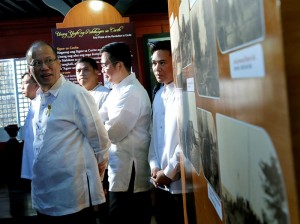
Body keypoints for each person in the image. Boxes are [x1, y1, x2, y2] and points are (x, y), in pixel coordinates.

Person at [26, 40, 111, 224]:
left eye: (49, 60)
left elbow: (100, 140)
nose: (44, 67)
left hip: (72, 197)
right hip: (44, 194)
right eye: (37, 63)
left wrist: (96, 177)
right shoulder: (37, 100)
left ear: (59, 64)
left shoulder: (75, 94)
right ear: (30, 68)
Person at [98, 42, 152, 224]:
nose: (103, 70)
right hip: (119, 167)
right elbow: (99, 118)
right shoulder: (117, 90)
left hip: (130, 170)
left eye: (105, 64)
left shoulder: (131, 92)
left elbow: (114, 133)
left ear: (119, 65)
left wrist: (98, 130)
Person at [148, 40, 189, 224]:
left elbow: (189, 138)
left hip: (183, 186)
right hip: (159, 183)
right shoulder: (157, 95)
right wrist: (154, 166)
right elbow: (154, 136)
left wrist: (170, 171)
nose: (157, 68)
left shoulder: (185, 93)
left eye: (162, 62)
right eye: (154, 63)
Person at [20, 72, 39, 181]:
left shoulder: (43, 105)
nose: (22, 87)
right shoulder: (33, 104)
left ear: (36, 85)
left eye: (26, 83)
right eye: (21, 83)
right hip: (33, 161)